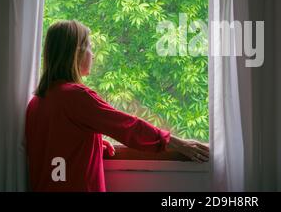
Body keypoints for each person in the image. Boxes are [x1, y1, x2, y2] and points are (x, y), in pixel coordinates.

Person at [25, 20, 209, 192]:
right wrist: (177, 143)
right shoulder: (75, 96)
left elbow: (56, 148)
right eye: (89, 46)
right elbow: (128, 126)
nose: (93, 54)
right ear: (76, 52)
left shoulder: (38, 102)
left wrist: (94, 143)